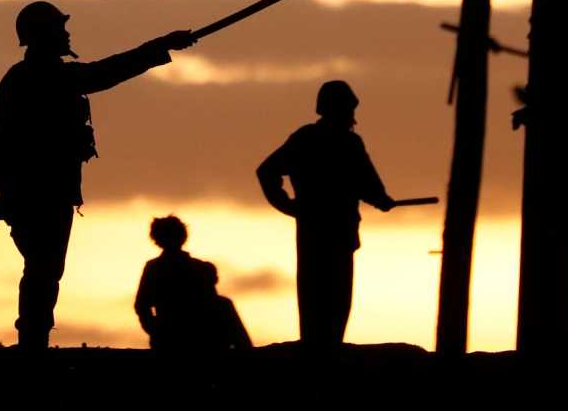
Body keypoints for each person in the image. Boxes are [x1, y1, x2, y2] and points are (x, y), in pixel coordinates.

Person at [0, 0, 195, 349]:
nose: (67, 33)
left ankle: (33, 339)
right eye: (60, 28)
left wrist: (161, 46)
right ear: (44, 35)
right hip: (42, 192)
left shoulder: (22, 78)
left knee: (43, 268)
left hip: (34, 191)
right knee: (43, 269)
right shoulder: (44, 77)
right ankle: (33, 342)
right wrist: (161, 46)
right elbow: (105, 73)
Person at [256, 80, 395, 347]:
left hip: (323, 231)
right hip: (329, 232)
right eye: (349, 108)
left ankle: (321, 348)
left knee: (320, 295)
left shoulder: (309, 139)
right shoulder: (340, 142)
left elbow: (365, 184)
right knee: (330, 295)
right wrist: (288, 206)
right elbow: (367, 183)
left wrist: (379, 199)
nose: (352, 116)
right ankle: (323, 351)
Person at [134, 215, 250, 354]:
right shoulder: (202, 268)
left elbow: (142, 306)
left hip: (188, 335)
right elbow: (142, 306)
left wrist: (156, 331)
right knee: (224, 304)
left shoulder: (156, 267)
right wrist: (158, 331)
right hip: (181, 336)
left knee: (223, 304)